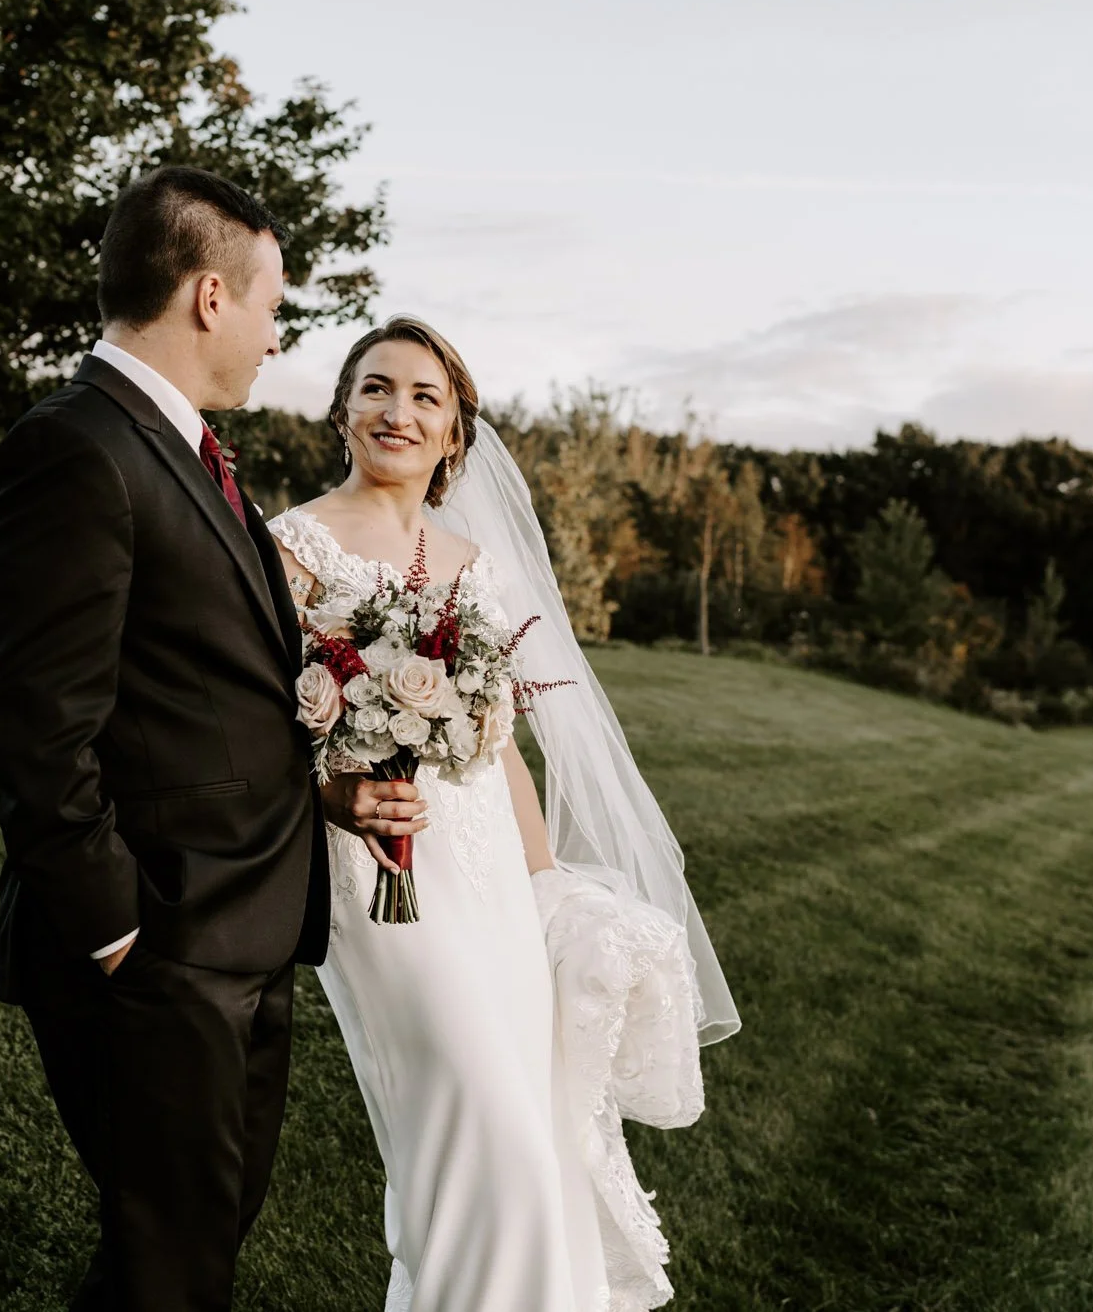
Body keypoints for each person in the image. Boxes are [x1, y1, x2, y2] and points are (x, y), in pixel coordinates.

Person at [0, 167, 417, 1311]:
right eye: (272, 304)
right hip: (158, 947)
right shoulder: (75, 448)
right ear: (210, 297)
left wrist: (321, 796)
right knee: (174, 1266)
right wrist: (115, 928)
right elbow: (31, 721)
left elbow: (196, 694)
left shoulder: (183, 449)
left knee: (177, 1255)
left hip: (241, 931)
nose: (276, 336)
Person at [266, 315, 741, 1312]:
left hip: (489, 876)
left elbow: (498, 748)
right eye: (375, 388)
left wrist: (543, 888)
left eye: (423, 397)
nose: (396, 410)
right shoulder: (292, 547)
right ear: (341, 410)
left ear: (453, 436)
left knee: (524, 1126)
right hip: (379, 872)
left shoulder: (474, 563)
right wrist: (327, 790)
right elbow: (247, 729)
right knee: (476, 1115)